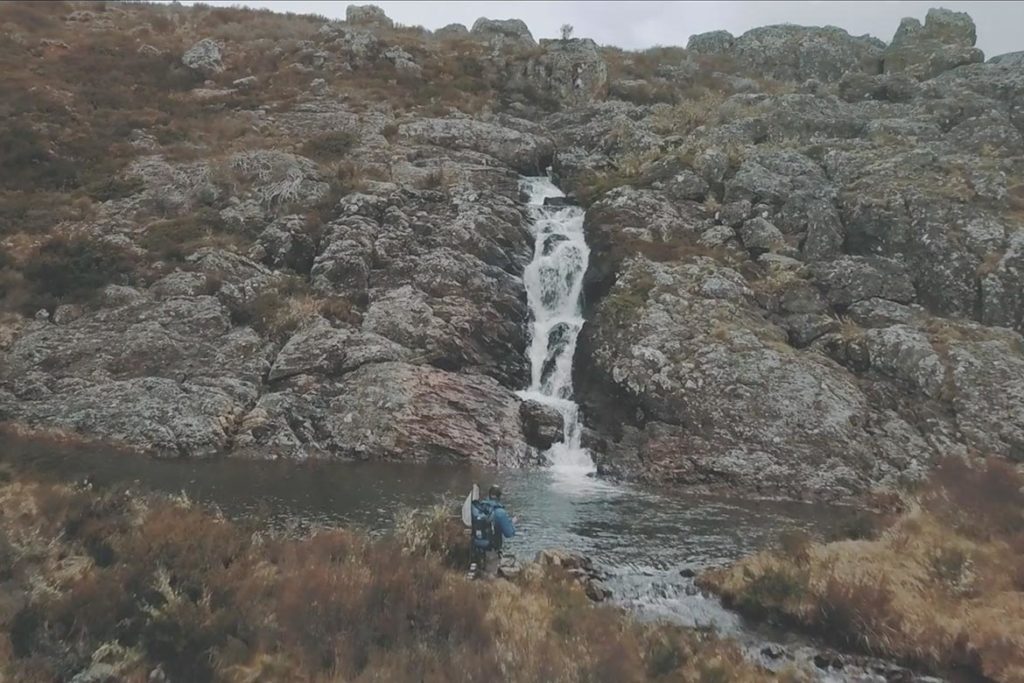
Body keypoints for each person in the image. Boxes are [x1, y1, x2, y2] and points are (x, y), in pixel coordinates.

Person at [467, 484, 516, 579]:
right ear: (499, 497)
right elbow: (509, 533)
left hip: (476, 549)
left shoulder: (478, 508)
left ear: (489, 495)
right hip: (491, 551)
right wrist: (512, 523)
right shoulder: (500, 512)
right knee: (490, 579)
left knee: (480, 575)